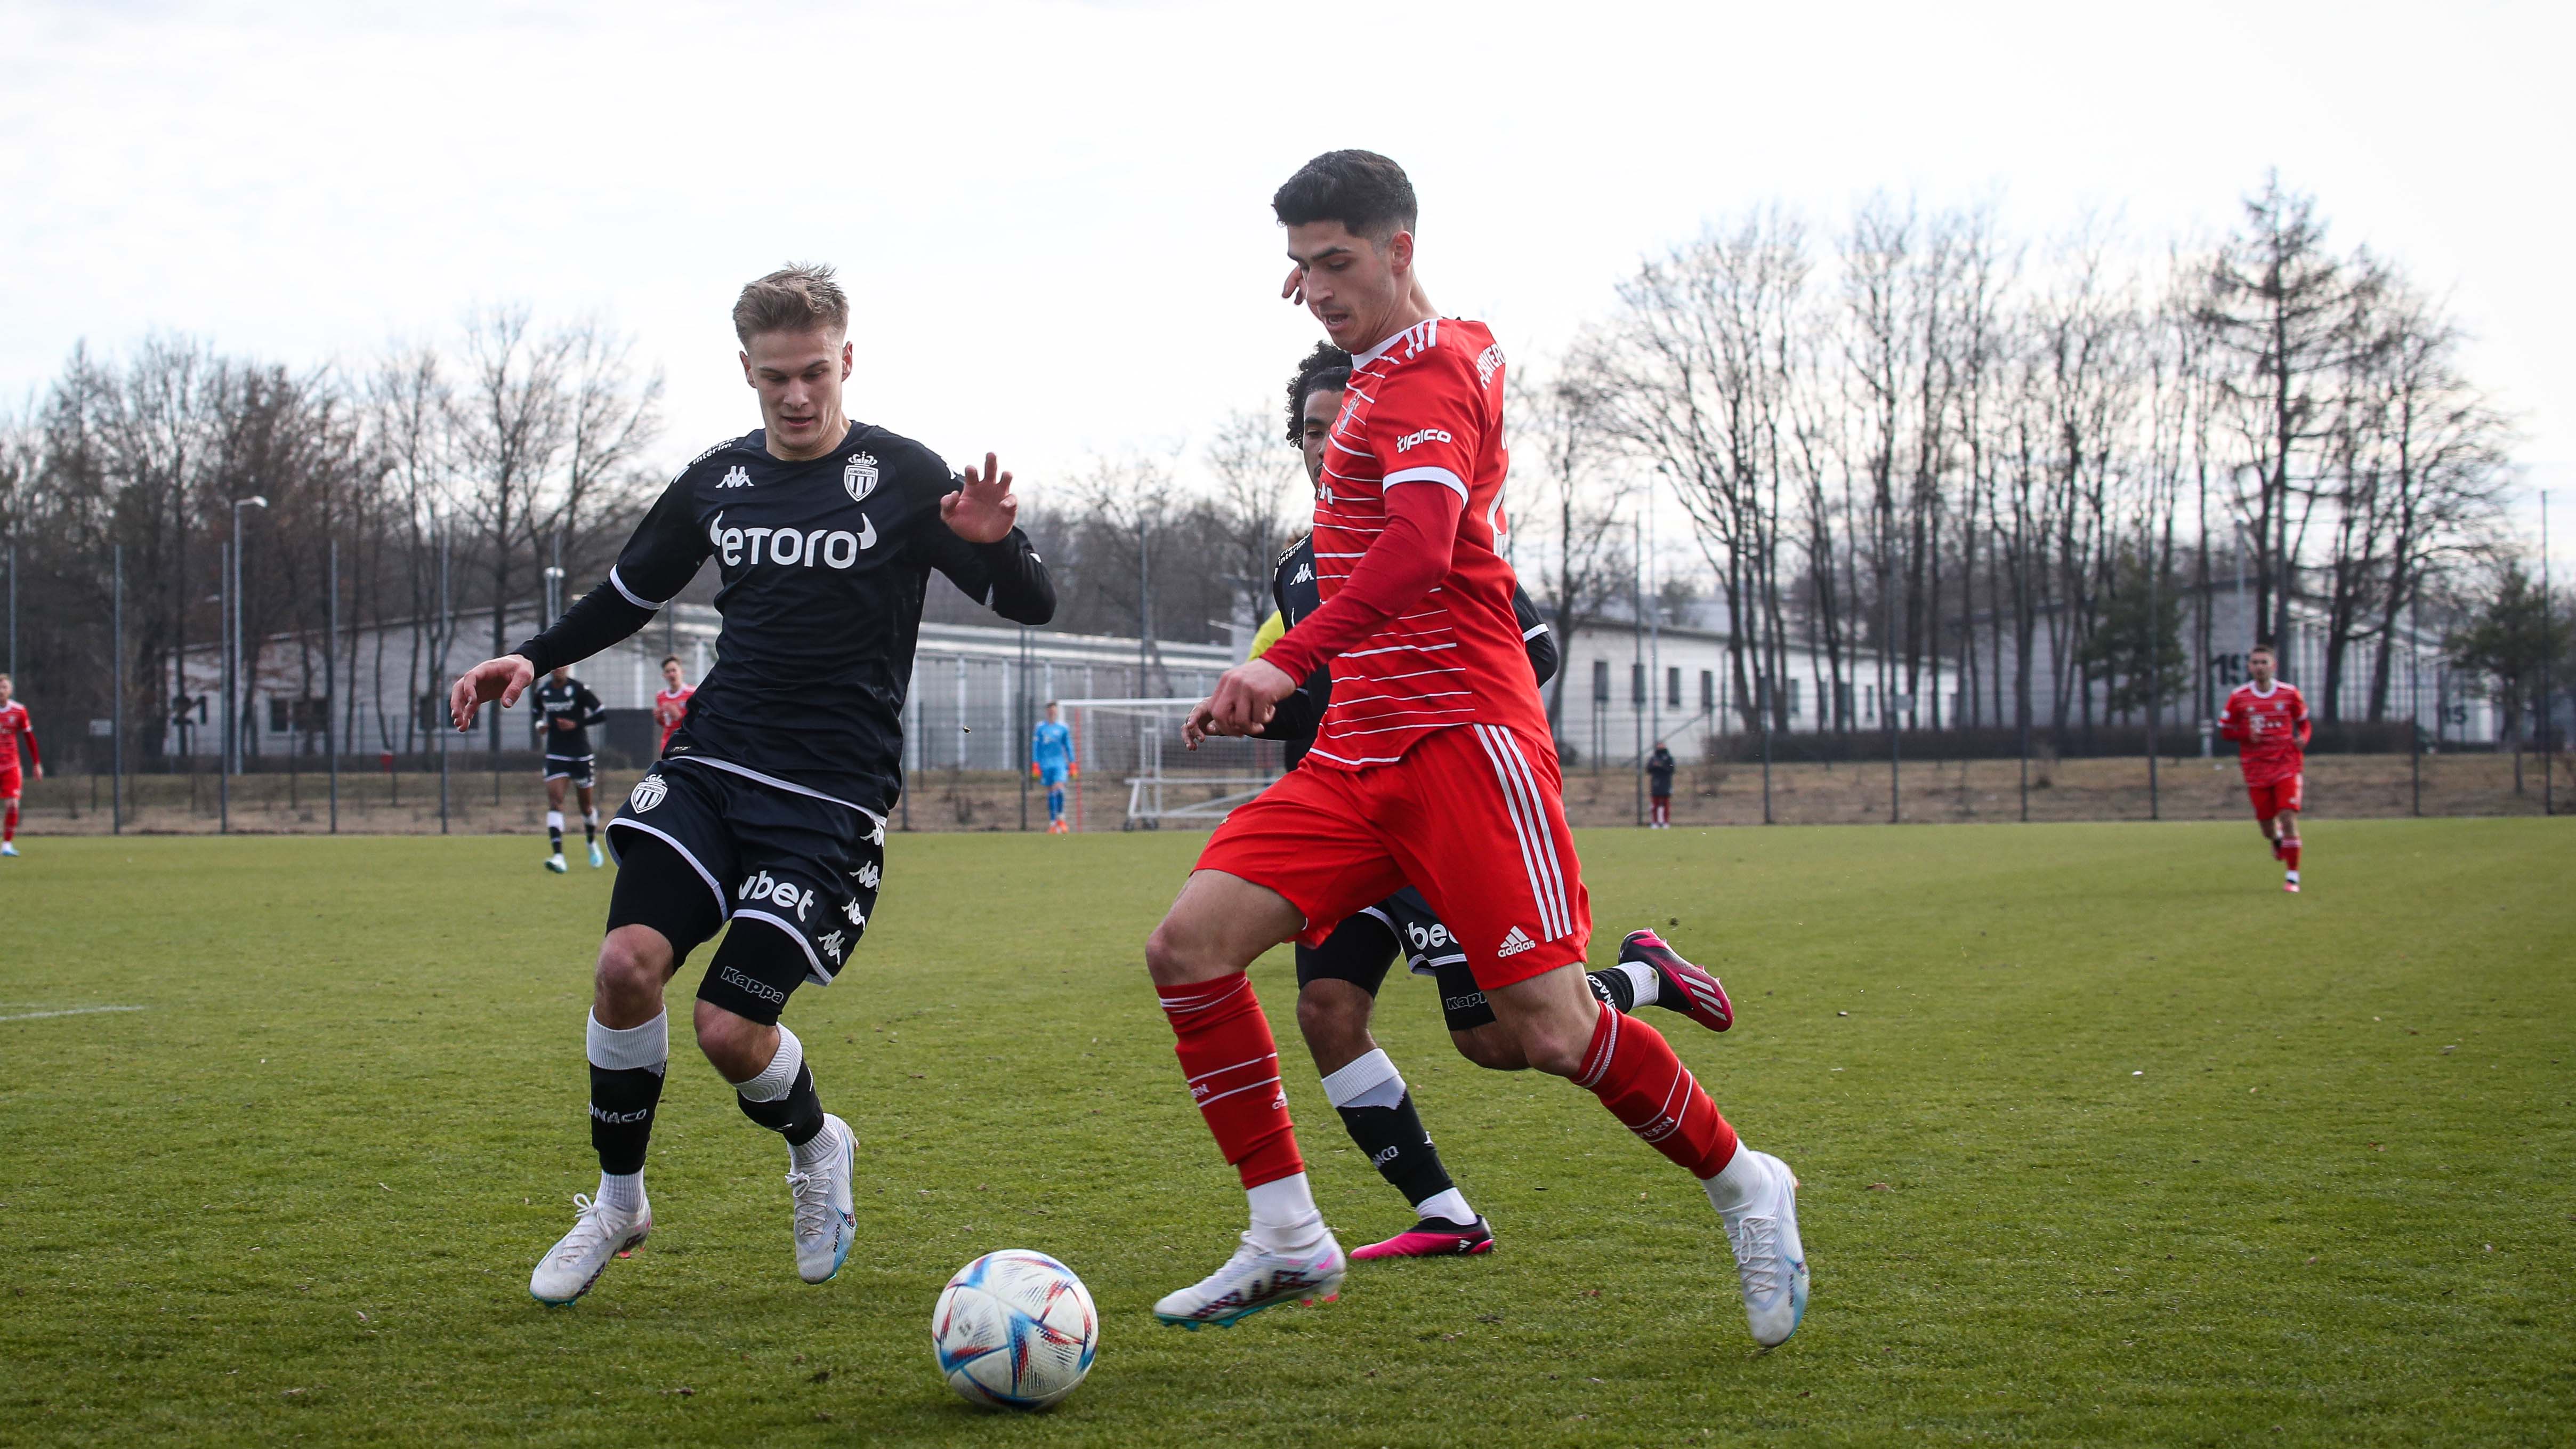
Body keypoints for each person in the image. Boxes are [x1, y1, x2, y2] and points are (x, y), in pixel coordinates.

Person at [1142, 152, 1805, 1346]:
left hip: (1464, 747)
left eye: (1335, 262)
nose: (1314, 288)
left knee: (1544, 1032)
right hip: (1355, 755)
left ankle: (1746, 1184)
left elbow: (1418, 551)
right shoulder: (1413, 358)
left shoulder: (1423, 382)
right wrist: (1295, 684)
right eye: (1297, 268)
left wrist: (1283, 659)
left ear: (1401, 248)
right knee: (1189, 951)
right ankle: (1288, 1235)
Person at [448, 264, 1054, 1306]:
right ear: (746, 372)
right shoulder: (718, 483)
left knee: (730, 1029)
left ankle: (817, 1146)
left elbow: (1031, 603)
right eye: (774, 377)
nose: (797, 396)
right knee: (627, 964)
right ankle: (618, 1203)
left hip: (828, 801)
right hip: (713, 766)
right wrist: (535, 657)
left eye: (814, 372)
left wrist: (998, 551)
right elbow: (627, 594)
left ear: (847, 360)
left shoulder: (904, 477)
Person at [1257, 344, 1737, 1261]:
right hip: (1352, 817)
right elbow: (1326, 683)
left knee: (1498, 1037)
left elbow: (1534, 652)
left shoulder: (1428, 534)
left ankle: (1644, 978)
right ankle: (1445, 1211)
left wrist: (1426, 714)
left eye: (1341, 428)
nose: (1327, 448)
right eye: (1312, 432)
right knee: (1326, 1007)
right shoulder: (1294, 566)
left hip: (1441, 809)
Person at [2217, 642, 2312, 893]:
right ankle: (2276, 839)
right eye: (2255, 663)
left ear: (2273, 666)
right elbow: (2226, 732)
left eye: (2264, 662)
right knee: (2267, 827)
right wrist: (2246, 733)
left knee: (2289, 816)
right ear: (2249, 667)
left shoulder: (2290, 693)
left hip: (2286, 764)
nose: (2260, 667)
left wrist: (2304, 738)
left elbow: (2304, 723)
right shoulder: (2239, 697)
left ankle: (2292, 877)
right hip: (2256, 768)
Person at [532, 666, 609, 872]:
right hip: (556, 754)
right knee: (556, 802)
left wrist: (577, 724)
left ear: (568, 667)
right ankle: (558, 857)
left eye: (562, 665)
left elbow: (601, 714)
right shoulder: (543, 692)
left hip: (581, 755)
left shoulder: (579, 690)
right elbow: (537, 714)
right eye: (554, 665)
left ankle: (591, 842)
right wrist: (540, 725)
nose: (558, 669)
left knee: (586, 807)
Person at [0, 674, 40, 857]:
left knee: (13, 805)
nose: (1, 690)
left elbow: (29, 739)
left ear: (10, 690)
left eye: (4, 687)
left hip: (11, 766)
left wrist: (36, 763)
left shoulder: (19, 711)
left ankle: (7, 845)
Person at [1030, 702, 1076, 833]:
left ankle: (1061, 818)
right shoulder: (1040, 728)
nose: (1052, 713)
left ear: (1057, 712)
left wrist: (1072, 764)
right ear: (1047, 712)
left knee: (1059, 790)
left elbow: (1068, 746)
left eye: (1054, 711)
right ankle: (1052, 824)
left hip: (1059, 764)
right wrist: (1035, 764)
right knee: (1051, 793)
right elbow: (1036, 747)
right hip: (1045, 764)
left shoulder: (1063, 728)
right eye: (1050, 710)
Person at [653, 655, 696, 757]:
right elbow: (666, 723)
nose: (671, 674)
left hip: (688, 740)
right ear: (664, 675)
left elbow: (698, 720)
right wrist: (659, 718)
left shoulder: (692, 693)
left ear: (682, 672)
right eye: (668, 672)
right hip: (668, 741)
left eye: (674, 670)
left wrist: (680, 716)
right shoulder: (661, 696)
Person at [1646, 741, 1676, 829]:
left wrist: (1661, 766)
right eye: (1659, 745)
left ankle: (1666, 823)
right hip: (1656, 784)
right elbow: (1649, 769)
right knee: (1655, 805)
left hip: (1666, 784)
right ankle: (1655, 823)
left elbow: (1671, 769)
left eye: (1662, 745)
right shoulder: (1654, 758)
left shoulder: (1669, 758)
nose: (1660, 747)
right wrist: (1655, 766)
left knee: (1666, 804)